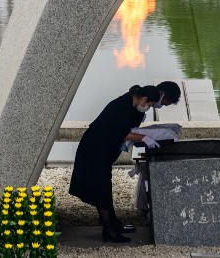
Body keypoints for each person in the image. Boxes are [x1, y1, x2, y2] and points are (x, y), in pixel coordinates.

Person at [69, 84, 162, 243]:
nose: (148, 108)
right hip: (93, 150)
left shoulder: (131, 104)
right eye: (150, 105)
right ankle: (109, 231)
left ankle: (114, 224)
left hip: (101, 150)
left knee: (105, 186)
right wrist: (144, 138)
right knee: (101, 189)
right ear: (144, 99)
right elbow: (121, 132)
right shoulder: (122, 105)